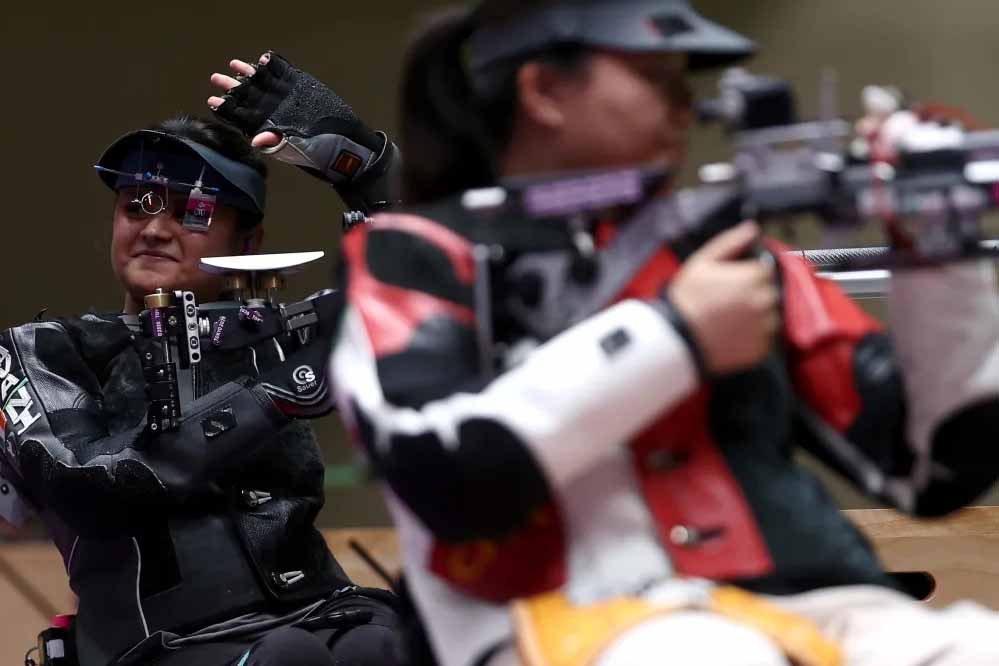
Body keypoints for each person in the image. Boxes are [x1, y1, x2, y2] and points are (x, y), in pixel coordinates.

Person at [311, 1, 999, 665]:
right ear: (544, 90)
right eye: (655, 76)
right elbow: (443, 474)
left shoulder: (720, 252)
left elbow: (931, 470)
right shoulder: (414, 256)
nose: (686, 105)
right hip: (564, 616)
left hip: (814, 602)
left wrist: (940, 253)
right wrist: (674, 335)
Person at [0, 116, 405, 666]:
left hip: (324, 612)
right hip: (159, 646)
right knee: (290, 658)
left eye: (194, 212)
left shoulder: (279, 332)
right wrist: (270, 398)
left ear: (249, 242)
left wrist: (367, 171)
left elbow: (426, 288)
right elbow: (83, 486)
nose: (155, 229)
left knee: (382, 644)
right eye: (136, 206)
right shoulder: (39, 350)